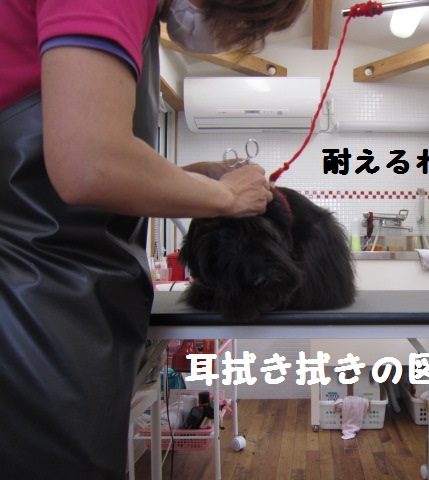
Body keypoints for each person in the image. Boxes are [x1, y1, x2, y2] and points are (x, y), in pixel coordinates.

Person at [0, 0, 308, 478]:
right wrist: (224, 197)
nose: (237, 37)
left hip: (56, 289)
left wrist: (193, 179)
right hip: (26, 295)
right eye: (246, 25)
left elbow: (78, 168)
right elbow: (89, 165)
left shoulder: (138, 24)